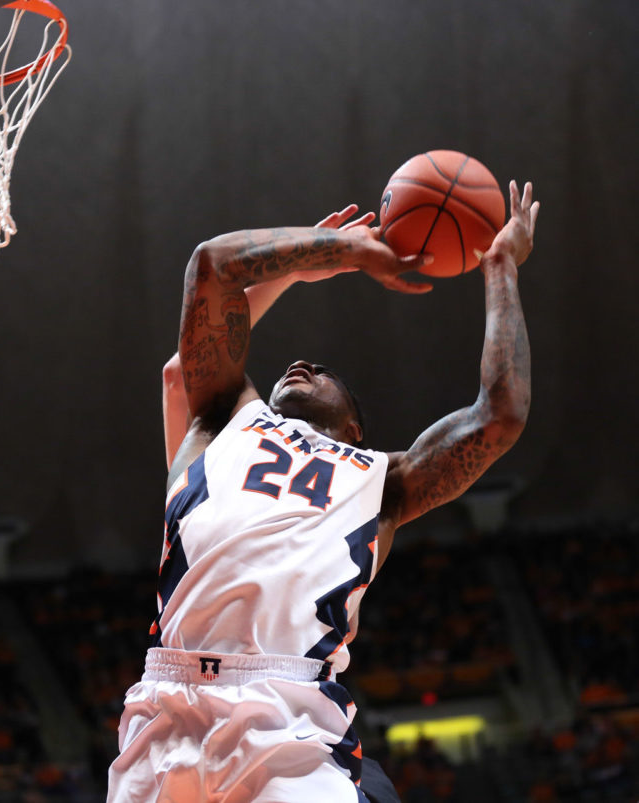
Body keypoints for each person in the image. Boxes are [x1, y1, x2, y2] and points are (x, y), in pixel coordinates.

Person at [107, 182, 539, 802]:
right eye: (297, 367)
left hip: (287, 713)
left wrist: (499, 268)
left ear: (356, 429)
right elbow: (212, 268)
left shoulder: (380, 479)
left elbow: (499, 416)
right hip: (166, 710)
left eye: (325, 374)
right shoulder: (221, 422)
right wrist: (328, 254)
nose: (301, 364)